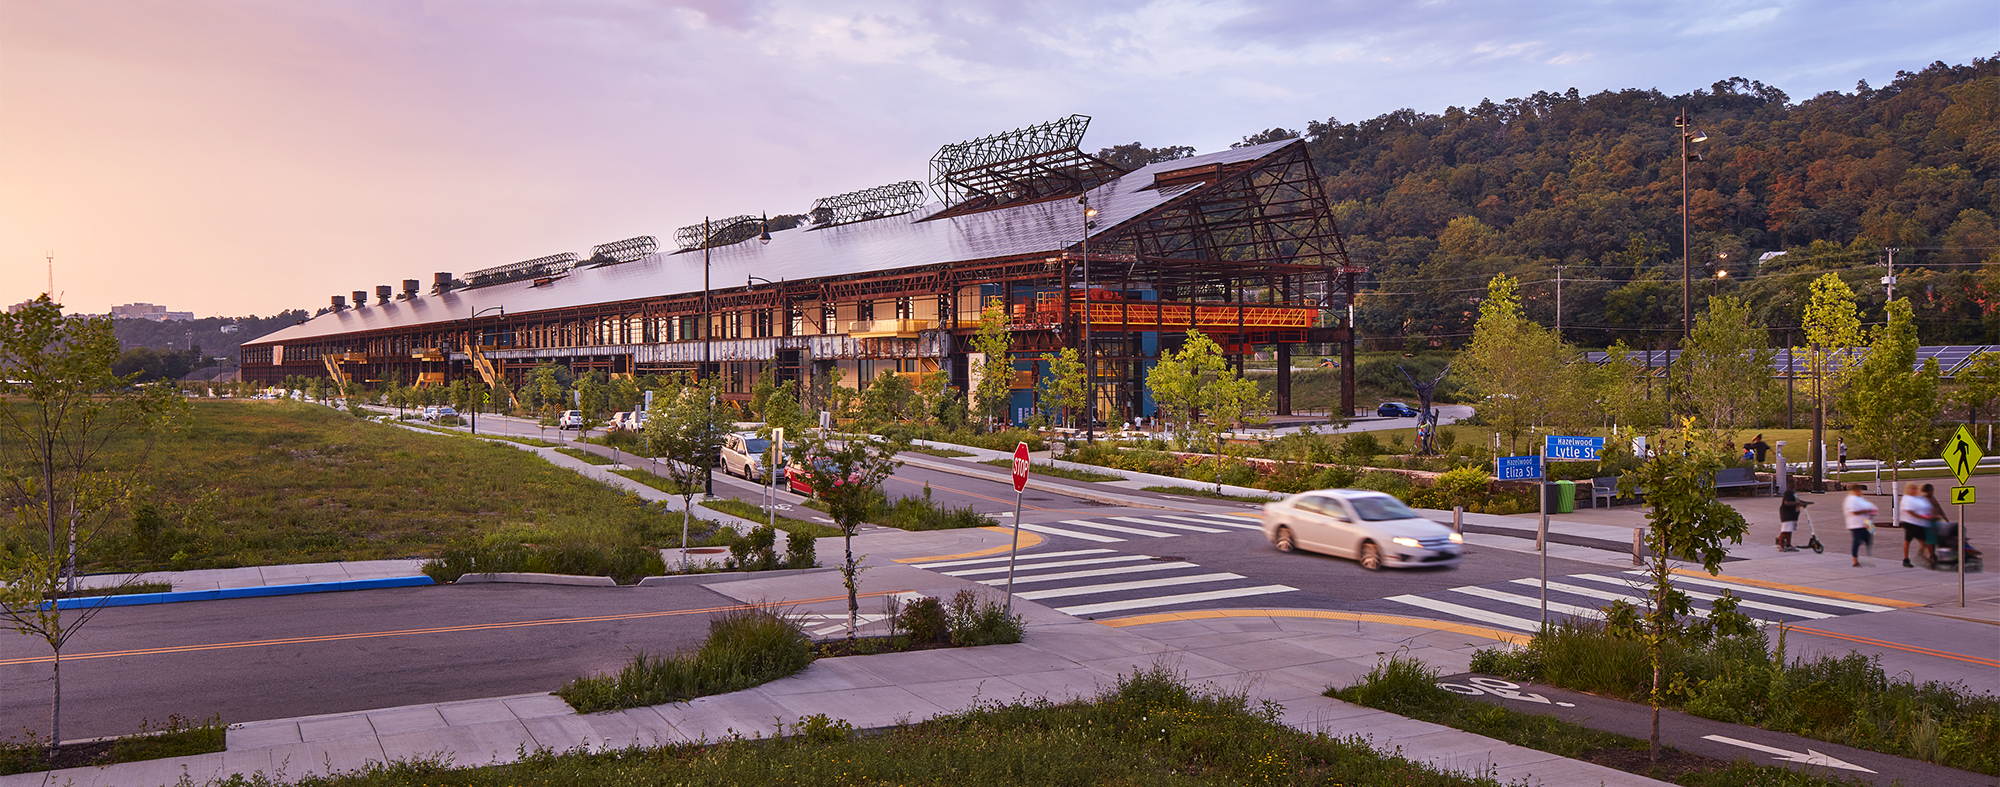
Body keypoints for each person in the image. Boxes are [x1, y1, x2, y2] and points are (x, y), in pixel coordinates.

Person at [1897, 481, 1936, 568]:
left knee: (1924, 540)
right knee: (1908, 541)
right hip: (1909, 523)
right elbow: (1910, 511)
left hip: (1919, 523)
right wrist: (1923, 517)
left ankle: (1926, 556)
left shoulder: (1917, 498)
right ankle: (1906, 559)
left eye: (1915, 488)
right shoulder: (1906, 498)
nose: (1914, 490)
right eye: (1913, 488)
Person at [1843, 483, 1877, 567]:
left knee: (1869, 539)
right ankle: (1855, 560)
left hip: (1866, 522)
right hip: (1856, 524)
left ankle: (1868, 556)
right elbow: (1854, 512)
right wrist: (1866, 510)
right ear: (1855, 490)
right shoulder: (1851, 500)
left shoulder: (1860, 499)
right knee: (1857, 541)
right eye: (1859, 490)